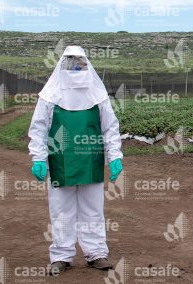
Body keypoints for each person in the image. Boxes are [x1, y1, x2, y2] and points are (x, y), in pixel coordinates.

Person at [28, 46, 123, 274]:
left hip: (91, 160)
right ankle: (61, 256)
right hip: (60, 161)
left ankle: (96, 253)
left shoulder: (98, 96)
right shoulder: (49, 97)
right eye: (70, 62)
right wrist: (38, 158)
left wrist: (115, 156)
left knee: (93, 210)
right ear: (62, 65)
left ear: (86, 64)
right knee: (61, 210)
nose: (75, 66)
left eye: (79, 62)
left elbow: (110, 128)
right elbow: (38, 129)